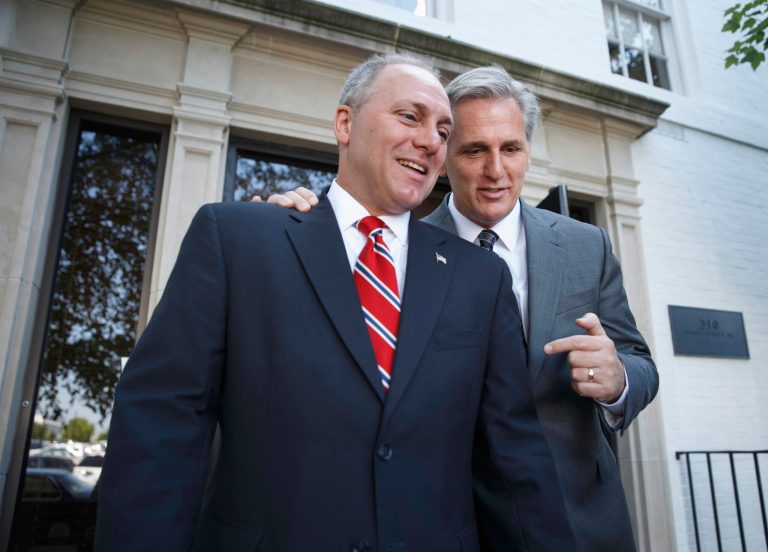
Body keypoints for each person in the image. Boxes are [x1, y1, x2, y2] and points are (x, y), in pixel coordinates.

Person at [96, 55, 575, 551]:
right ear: (345, 123)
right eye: (410, 117)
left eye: (443, 130)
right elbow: (162, 427)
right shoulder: (238, 240)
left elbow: (514, 459)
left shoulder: (480, 277)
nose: (431, 140)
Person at [266, 65, 659, 551]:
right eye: (475, 150)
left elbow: (641, 364)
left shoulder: (586, 246)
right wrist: (299, 228)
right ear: (444, 155)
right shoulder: (395, 251)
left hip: (582, 519)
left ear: (527, 153)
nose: (496, 171)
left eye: (510, 148)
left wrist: (618, 379)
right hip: (455, 525)